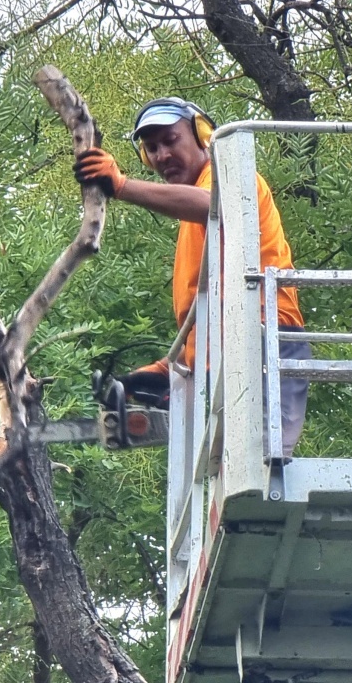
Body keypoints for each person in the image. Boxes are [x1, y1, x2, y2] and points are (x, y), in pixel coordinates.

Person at [73, 97, 312, 458]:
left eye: (170, 140)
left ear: (203, 135)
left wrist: (121, 186)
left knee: (262, 468)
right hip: (223, 357)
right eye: (151, 148)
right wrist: (161, 371)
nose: (162, 155)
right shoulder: (191, 217)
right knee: (231, 476)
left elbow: (212, 204)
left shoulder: (229, 176)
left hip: (262, 340)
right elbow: (205, 319)